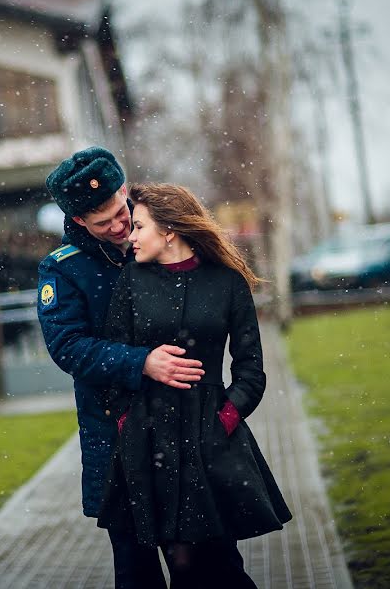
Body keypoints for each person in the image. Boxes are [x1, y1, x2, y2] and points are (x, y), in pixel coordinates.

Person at [97, 182, 293, 589]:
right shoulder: (132, 282)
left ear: (169, 230)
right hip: (150, 443)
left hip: (210, 440)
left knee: (218, 563)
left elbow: (252, 371)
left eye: (139, 226)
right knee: (183, 562)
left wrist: (224, 418)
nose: (130, 237)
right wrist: (127, 420)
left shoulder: (227, 282)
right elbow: (113, 359)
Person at [37, 148, 206, 588]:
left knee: (207, 563)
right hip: (113, 435)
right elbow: (68, 347)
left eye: (119, 212)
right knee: (136, 570)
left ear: (124, 191)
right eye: (101, 223)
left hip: (181, 425)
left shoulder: (161, 238)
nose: (118, 227)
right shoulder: (62, 270)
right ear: (77, 223)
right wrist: (141, 362)